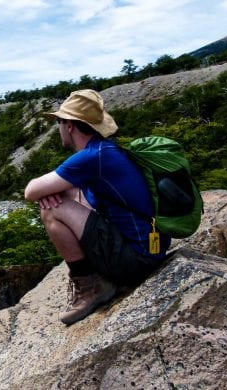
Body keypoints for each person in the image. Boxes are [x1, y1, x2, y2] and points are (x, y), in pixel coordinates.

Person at [24, 89, 170, 325]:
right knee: (66, 191)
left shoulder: (92, 157)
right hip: (150, 249)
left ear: (70, 125)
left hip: (136, 261)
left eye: (59, 122)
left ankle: (91, 286)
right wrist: (52, 192)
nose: (58, 128)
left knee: (51, 209)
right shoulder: (106, 150)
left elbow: (30, 191)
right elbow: (80, 197)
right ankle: (96, 278)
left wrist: (46, 195)